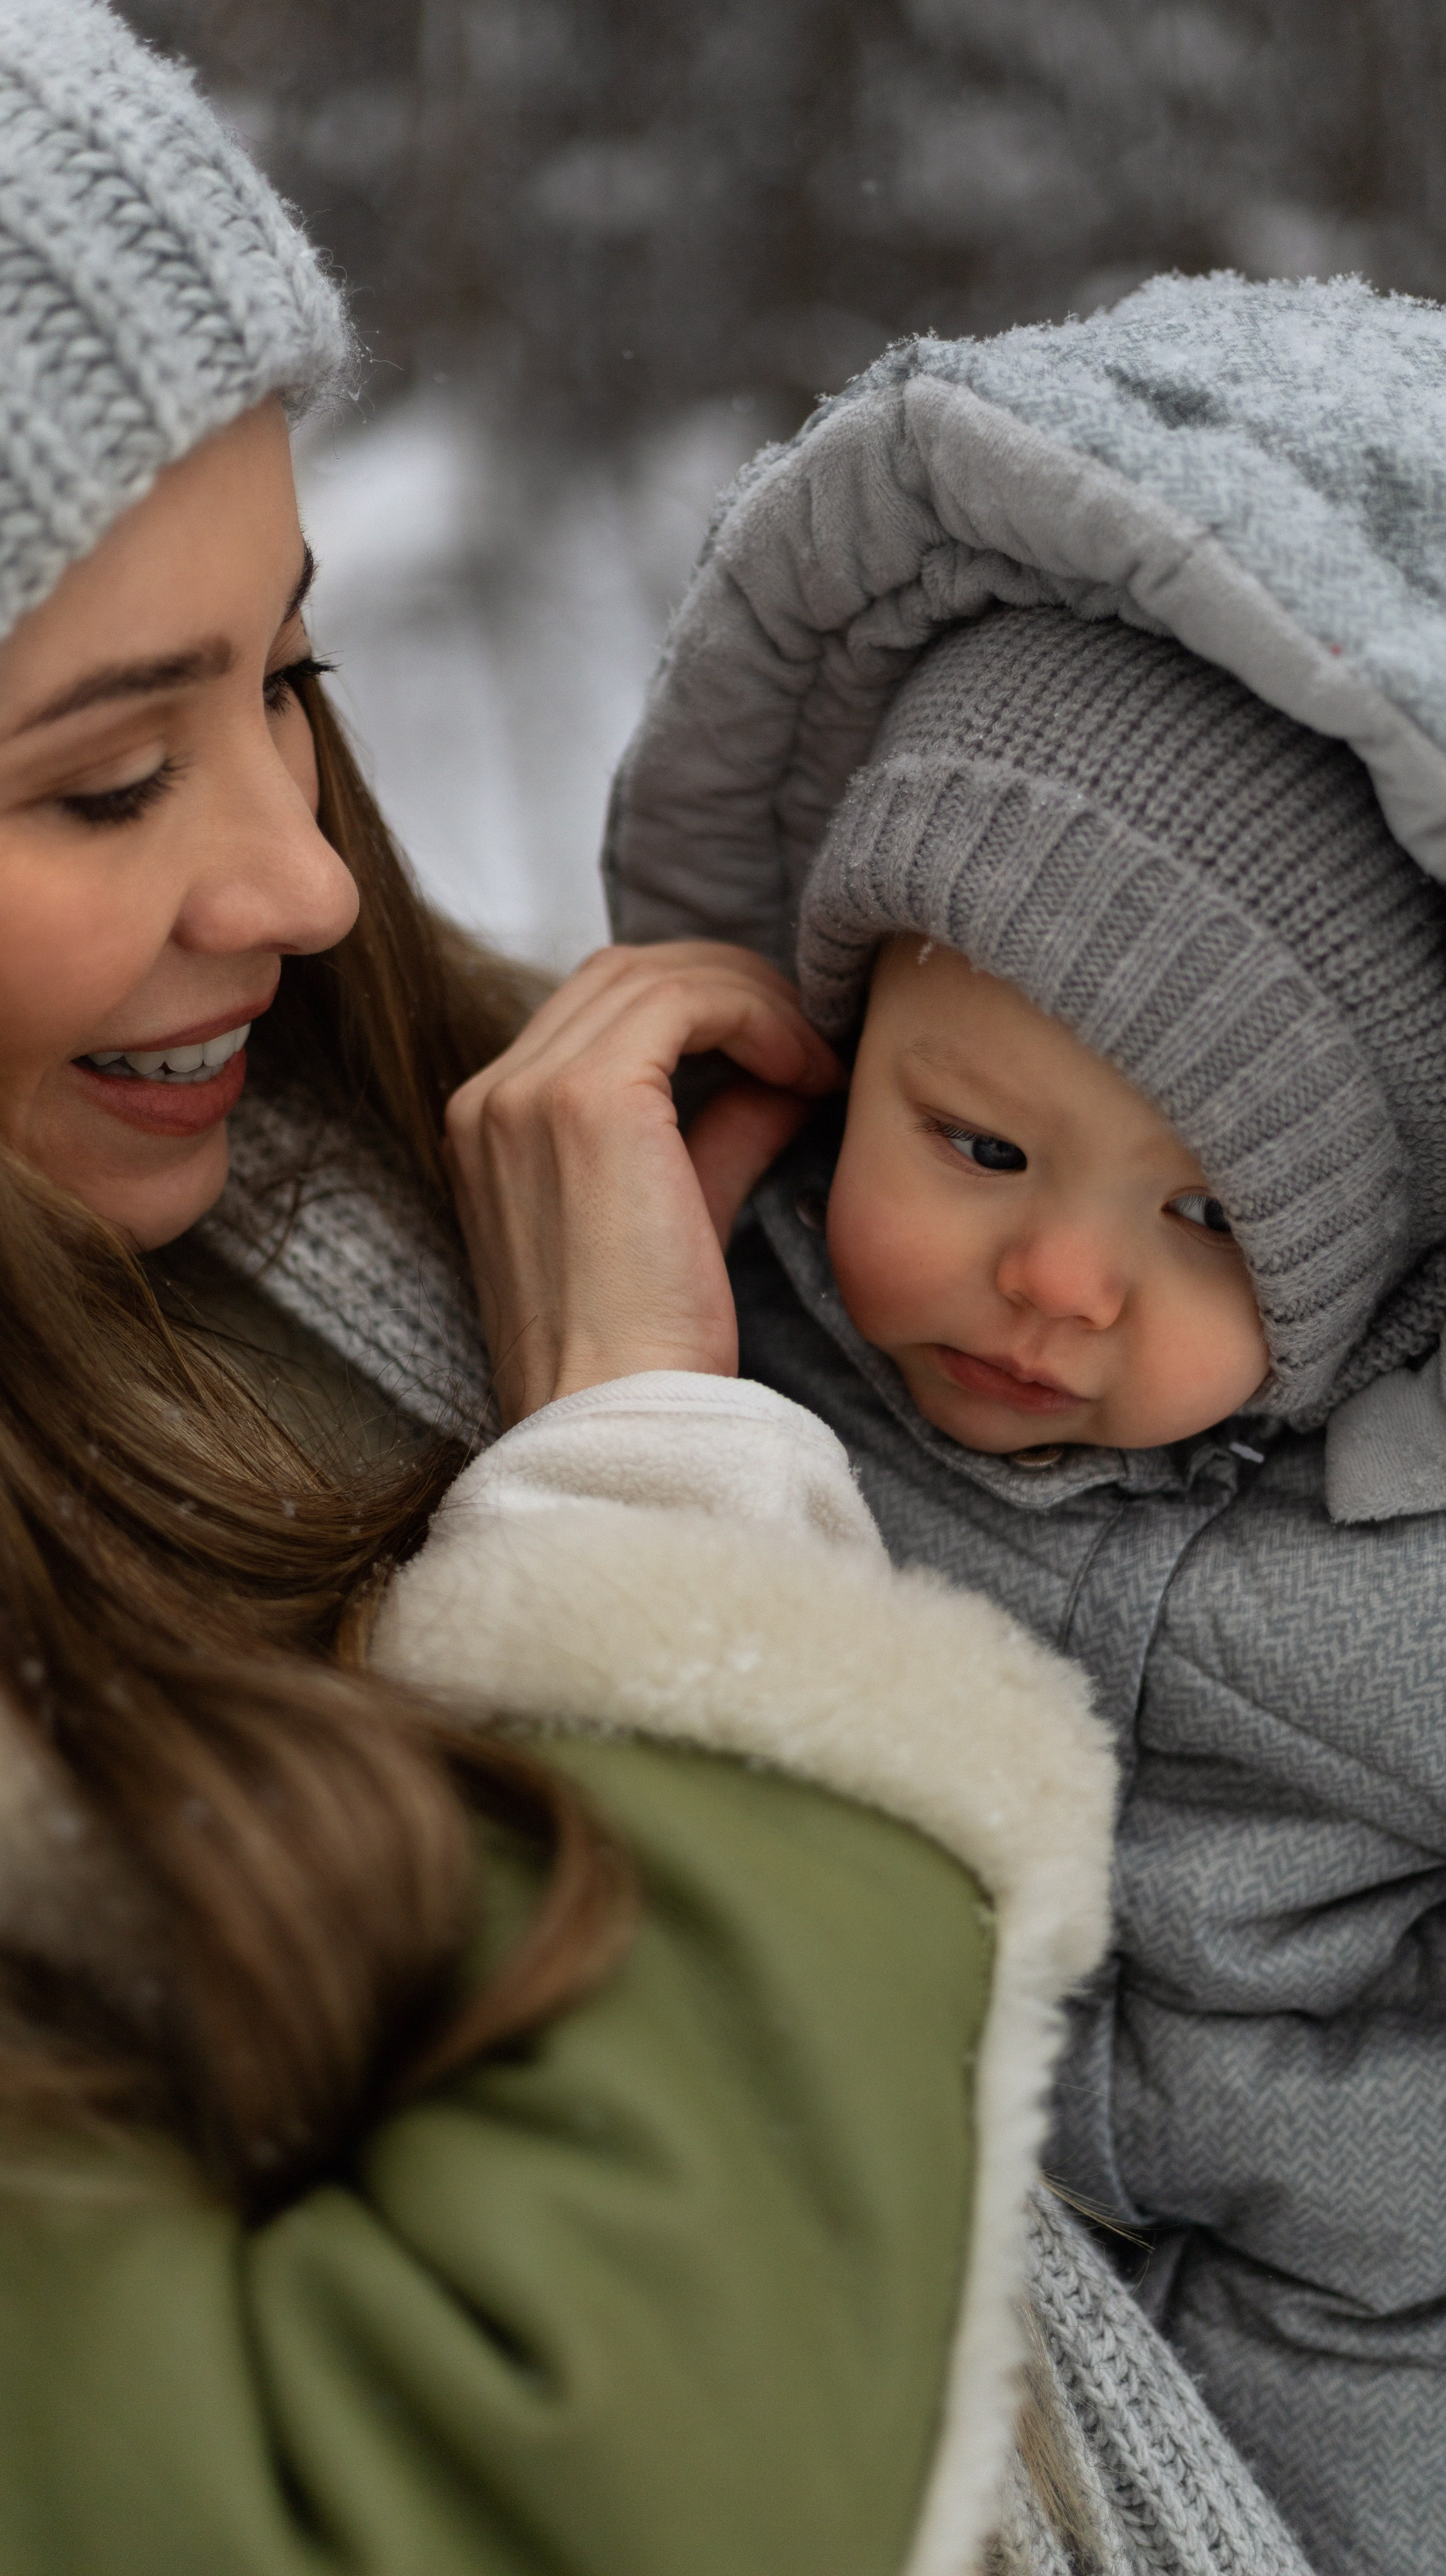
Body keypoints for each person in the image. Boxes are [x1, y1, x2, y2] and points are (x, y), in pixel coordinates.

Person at [0, 11, 1318, 2576]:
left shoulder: (374, 1167)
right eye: (102, 776)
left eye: (290, 678)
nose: (304, 887)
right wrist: (652, 1537)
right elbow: (548, 2496)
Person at [604, 274, 1446, 2576]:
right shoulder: (737, 1370)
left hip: (1372, 2377)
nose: (1064, 1280)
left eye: (1208, 1214)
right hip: (916, 2345)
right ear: (841, 1045)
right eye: (974, 1146)